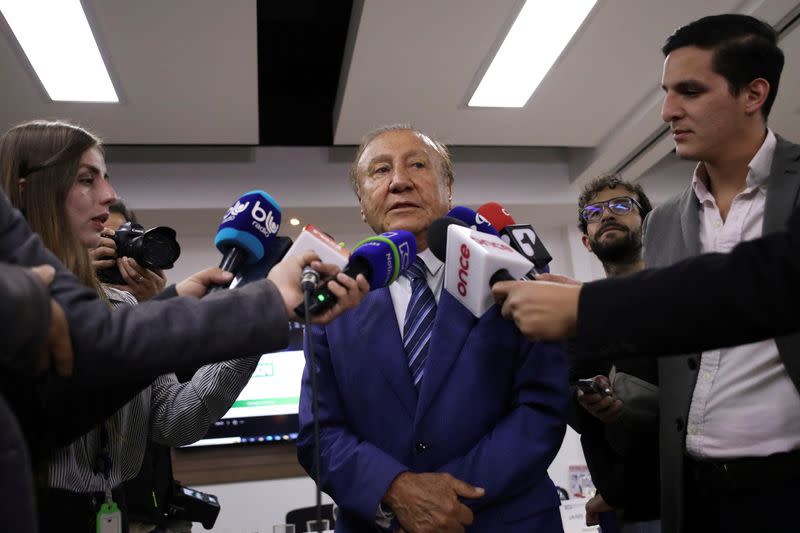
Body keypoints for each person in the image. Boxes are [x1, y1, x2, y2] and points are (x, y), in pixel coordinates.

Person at [497, 14, 800, 533]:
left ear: (753, 94)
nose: (667, 111)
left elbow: (750, 286)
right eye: (665, 92)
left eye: (690, 90)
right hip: (695, 491)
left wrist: (588, 308)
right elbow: (678, 335)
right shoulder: (665, 222)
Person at [0, 120, 369, 530]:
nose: (109, 195)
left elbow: (178, 419)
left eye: (107, 177)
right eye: (87, 179)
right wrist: (261, 303)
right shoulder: (17, 306)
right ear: (25, 188)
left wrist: (248, 330)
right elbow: (92, 363)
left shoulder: (123, 306)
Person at [296, 124, 569, 533]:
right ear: (362, 202)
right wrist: (397, 490)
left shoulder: (514, 273)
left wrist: (447, 497)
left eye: (417, 165)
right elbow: (319, 434)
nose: (400, 181)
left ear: (448, 188)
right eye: (380, 171)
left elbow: (542, 407)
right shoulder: (333, 298)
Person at [569, 175, 660, 533]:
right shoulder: (576, 316)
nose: (606, 214)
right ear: (586, 242)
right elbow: (580, 419)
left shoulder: (680, 299)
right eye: (594, 212)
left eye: (621, 205)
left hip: (697, 491)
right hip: (629, 508)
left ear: (648, 224)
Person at [89, 199, 167, 302]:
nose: (113, 246)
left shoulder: (148, 291)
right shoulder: (67, 283)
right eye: (105, 237)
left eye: (120, 238)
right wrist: (79, 271)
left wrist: (155, 301)